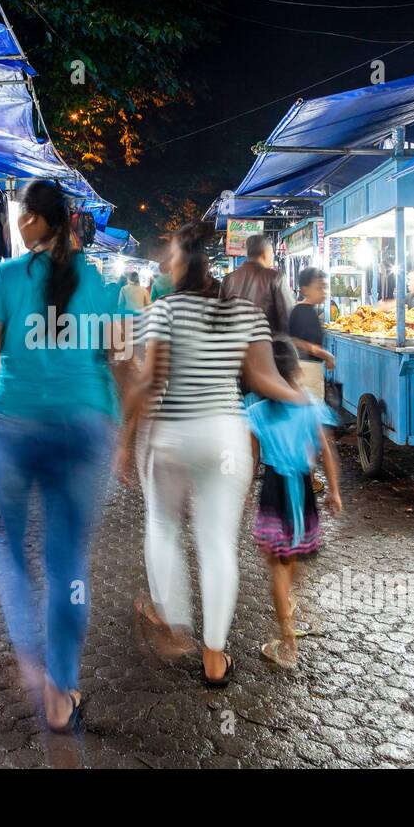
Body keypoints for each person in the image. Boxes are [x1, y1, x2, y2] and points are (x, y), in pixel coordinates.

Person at [0, 179, 126, 735]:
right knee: (68, 560)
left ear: (30, 221)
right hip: (84, 427)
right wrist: (125, 434)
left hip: (17, 428)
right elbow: (122, 360)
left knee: (6, 540)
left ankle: (31, 652)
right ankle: (61, 687)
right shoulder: (100, 283)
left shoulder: (2, 278)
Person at [117, 221, 305, 688]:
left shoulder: (164, 310)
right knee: (218, 544)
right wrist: (303, 399)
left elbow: (150, 379)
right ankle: (215, 658)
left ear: (182, 262)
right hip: (225, 438)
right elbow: (263, 379)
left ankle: (176, 624)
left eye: (172, 257)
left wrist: (125, 437)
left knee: (162, 524)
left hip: (171, 436)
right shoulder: (244, 314)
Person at [247, 342, 341, 669]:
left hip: (274, 492)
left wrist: (245, 498)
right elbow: (326, 451)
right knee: (292, 558)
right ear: (296, 370)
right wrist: (334, 492)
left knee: (278, 566)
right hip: (302, 492)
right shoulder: (309, 407)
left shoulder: (256, 412)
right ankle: (293, 610)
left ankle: (287, 643)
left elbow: (253, 462)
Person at [221, 233, 296, 357]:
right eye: (271, 253)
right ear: (265, 253)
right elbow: (287, 319)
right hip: (267, 354)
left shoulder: (228, 279)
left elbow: (221, 320)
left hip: (234, 353)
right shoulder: (275, 278)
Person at [288, 266, 335, 400]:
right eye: (319, 288)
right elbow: (297, 342)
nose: (323, 292)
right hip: (306, 371)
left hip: (308, 370)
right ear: (305, 289)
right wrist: (327, 356)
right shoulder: (302, 311)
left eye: (325, 287)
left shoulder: (307, 310)